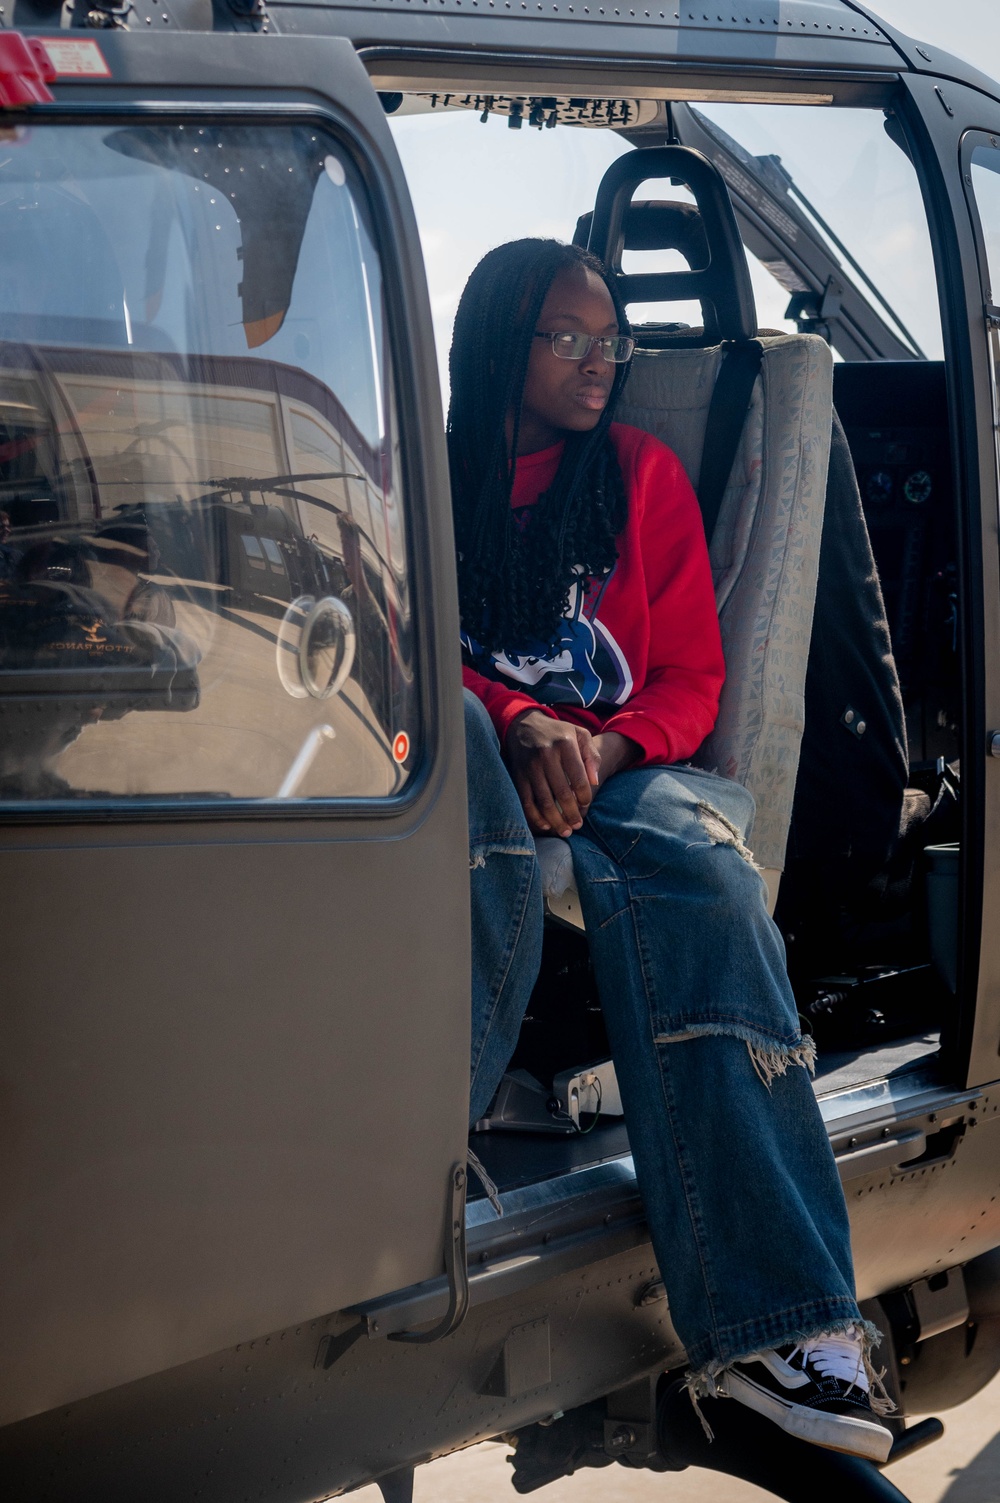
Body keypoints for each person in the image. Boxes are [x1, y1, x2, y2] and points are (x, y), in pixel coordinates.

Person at [452, 237, 894, 1462]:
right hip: (480, 760)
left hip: (620, 764)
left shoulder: (638, 475)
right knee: (466, 811)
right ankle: (433, 1160)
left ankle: (787, 1328)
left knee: (705, 874)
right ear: (502, 343)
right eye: (571, 339)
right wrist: (516, 723)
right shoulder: (432, 479)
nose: (602, 363)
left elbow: (692, 681)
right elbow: (409, 645)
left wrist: (598, 752)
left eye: (616, 343)